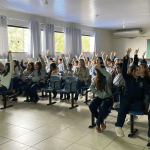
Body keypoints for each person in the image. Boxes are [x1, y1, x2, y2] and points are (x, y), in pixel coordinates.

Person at [115, 48, 150, 138]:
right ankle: (118, 126)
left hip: (137, 101)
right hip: (127, 97)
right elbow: (123, 70)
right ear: (133, 71)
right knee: (125, 103)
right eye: (137, 69)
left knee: (139, 107)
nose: (139, 71)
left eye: (139, 69)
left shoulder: (143, 80)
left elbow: (147, 91)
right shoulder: (128, 78)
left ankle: (121, 106)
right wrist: (127, 56)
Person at [89, 64, 113, 133]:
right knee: (91, 106)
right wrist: (98, 92)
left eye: (98, 71)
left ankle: (97, 124)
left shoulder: (107, 78)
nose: (97, 73)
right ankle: (101, 122)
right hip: (99, 97)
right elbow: (91, 87)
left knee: (102, 107)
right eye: (97, 71)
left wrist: (101, 69)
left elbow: (109, 75)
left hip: (108, 97)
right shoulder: (95, 79)